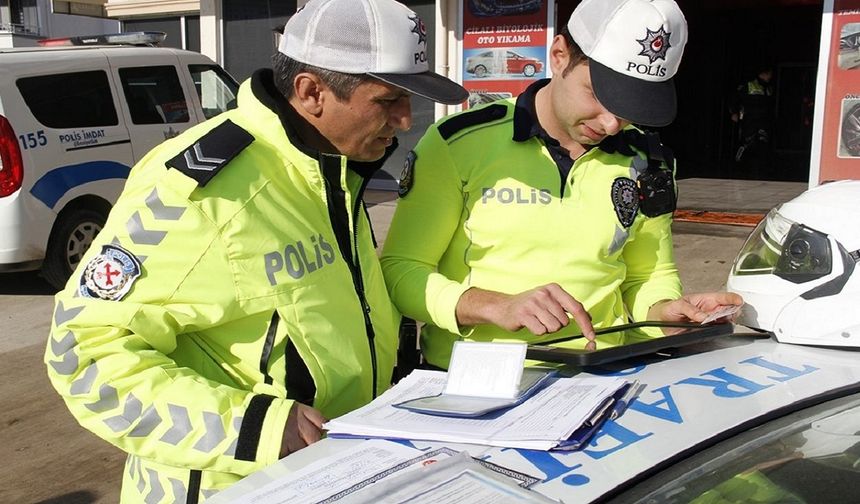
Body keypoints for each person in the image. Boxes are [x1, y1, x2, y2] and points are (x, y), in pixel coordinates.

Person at [43, 0, 468, 501]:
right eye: (389, 99)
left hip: (334, 470)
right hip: (231, 486)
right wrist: (253, 427)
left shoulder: (332, 169)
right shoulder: (202, 190)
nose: (404, 119)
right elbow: (83, 355)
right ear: (312, 92)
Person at [380, 0, 743, 370]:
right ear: (558, 55)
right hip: (475, 381)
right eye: (600, 95)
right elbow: (402, 270)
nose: (611, 124)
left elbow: (649, 274)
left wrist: (666, 312)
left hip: (604, 375)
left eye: (631, 105)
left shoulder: (649, 161)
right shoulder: (458, 142)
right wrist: (492, 305)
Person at [729, 65, 775, 177]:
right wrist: (734, 113)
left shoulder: (769, 88)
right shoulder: (749, 85)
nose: (770, 77)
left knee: (762, 145)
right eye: (769, 74)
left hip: (763, 122)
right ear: (763, 74)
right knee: (747, 144)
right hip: (749, 120)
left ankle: (759, 170)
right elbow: (734, 99)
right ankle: (738, 167)